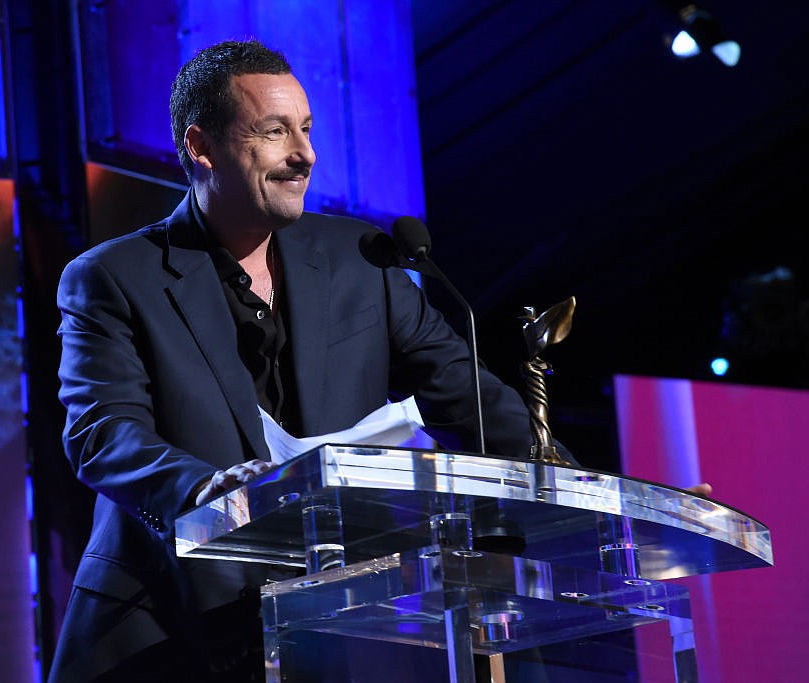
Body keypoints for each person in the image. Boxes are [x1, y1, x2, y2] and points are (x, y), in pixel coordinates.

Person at [48, 38, 550, 682]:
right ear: (201, 147)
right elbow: (102, 433)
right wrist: (205, 492)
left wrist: (602, 497)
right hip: (166, 625)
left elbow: (468, 399)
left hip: (344, 624)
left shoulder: (361, 259)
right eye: (274, 131)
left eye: (307, 129)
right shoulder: (112, 277)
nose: (304, 155)